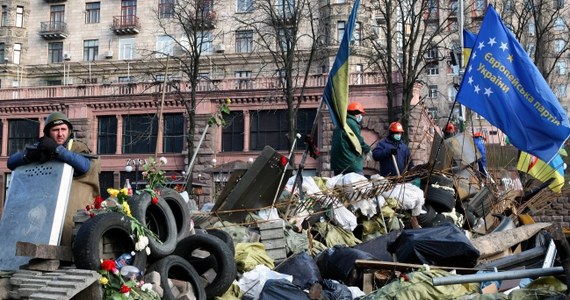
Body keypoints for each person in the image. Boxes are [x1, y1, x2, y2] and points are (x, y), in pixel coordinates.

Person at [7, 112, 100, 247]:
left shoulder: (77, 146)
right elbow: (11, 163)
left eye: (63, 129)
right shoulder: (41, 145)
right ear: (48, 132)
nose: (60, 134)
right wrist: (29, 155)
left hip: (71, 201)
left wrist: (58, 150)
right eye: (55, 130)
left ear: (69, 131)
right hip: (45, 201)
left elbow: (85, 166)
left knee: (67, 227)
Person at [330, 102, 370, 175]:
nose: (361, 116)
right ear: (356, 114)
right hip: (349, 162)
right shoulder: (352, 123)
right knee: (358, 183)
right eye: (360, 114)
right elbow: (357, 140)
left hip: (338, 163)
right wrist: (367, 149)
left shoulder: (340, 123)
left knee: (339, 185)